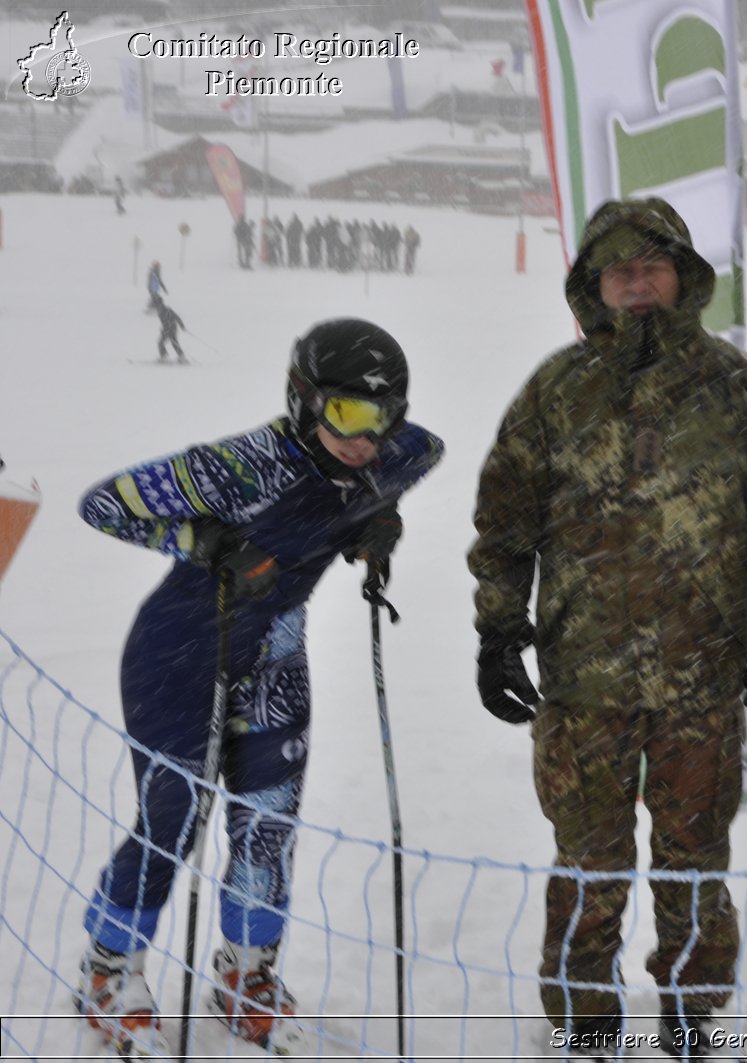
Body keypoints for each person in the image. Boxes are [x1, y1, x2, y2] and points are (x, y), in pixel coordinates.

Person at [468, 197, 747, 1058]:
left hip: (700, 677)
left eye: (651, 267)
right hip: (581, 678)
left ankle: (693, 1010)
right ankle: (585, 1016)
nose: (636, 284)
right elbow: (505, 522)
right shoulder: (558, 390)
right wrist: (498, 632)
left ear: (681, 277)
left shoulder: (734, 387)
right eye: (618, 271)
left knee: (695, 856)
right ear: (594, 285)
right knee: (588, 857)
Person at [74, 319, 444, 1059]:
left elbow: (418, 454)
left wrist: (376, 522)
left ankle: (247, 974)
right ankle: (108, 969)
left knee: (268, 823)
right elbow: (102, 503)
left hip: (274, 655)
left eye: (383, 416)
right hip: (183, 650)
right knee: (173, 818)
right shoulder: (242, 466)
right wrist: (207, 542)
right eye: (346, 415)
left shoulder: (395, 454)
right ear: (303, 401)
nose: (367, 437)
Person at [155, 299, 186, 364]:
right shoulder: (164, 310)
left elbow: (176, 317)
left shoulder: (165, 311)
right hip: (170, 328)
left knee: (161, 342)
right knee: (173, 342)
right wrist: (181, 325)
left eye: (157, 305)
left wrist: (182, 325)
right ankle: (181, 356)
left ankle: (164, 356)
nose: (156, 307)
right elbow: (166, 322)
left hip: (170, 329)